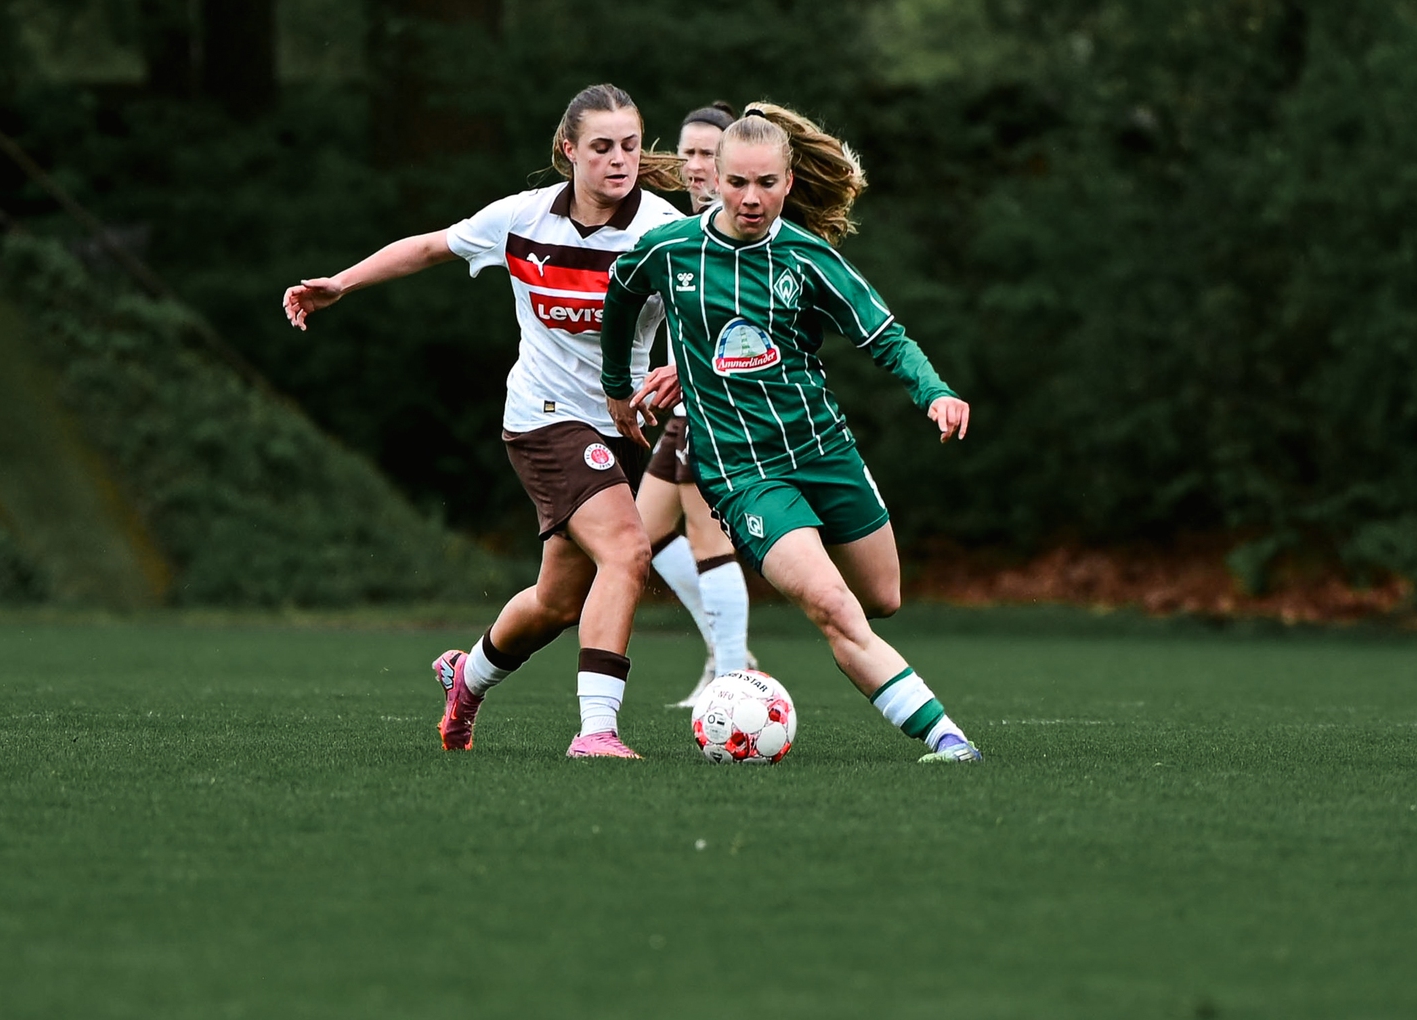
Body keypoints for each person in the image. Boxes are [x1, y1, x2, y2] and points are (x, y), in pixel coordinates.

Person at [282, 85, 683, 758]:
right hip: (543, 419)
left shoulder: (663, 232)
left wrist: (686, 372)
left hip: (619, 426)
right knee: (628, 552)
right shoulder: (523, 219)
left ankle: (464, 679)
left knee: (556, 602)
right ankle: (596, 732)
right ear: (569, 151)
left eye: (631, 146)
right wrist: (341, 283)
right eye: (603, 147)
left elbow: (716, 307)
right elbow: (431, 247)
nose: (619, 160)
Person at [600, 104, 983, 763]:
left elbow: (884, 336)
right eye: (739, 182)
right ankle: (946, 737)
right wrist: (617, 382)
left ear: (789, 181)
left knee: (881, 599)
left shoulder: (807, 258)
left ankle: (898, 687)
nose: (752, 198)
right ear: (715, 178)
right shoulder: (670, 249)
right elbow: (621, 293)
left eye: (768, 184)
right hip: (744, 475)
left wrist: (937, 391)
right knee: (833, 607)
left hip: (825, 452)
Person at [635, 102, 753, 704]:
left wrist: (682, 366)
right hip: (687, 406)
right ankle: (726, 649)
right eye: (686, 152)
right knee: (642, 535)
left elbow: (743, 316)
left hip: (722, 408)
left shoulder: (736, 226)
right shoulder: (683, 223)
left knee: (708, 534)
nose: (694, 165)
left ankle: (733, 674)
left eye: (708, 153)